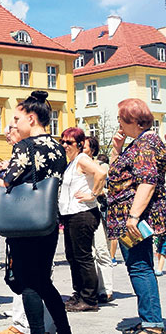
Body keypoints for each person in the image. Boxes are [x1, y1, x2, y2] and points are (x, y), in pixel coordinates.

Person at [1, 91, 71, 334]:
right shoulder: (58, 146)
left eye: (17, 120)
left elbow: (9, 180)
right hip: (48, 220)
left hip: (24, 222)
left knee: (28, 282)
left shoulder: (25, 146)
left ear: (31, 119)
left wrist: (3, 177)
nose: (15, 125)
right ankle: (64, 329)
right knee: (43, 280)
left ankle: (37, 331)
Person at [102, 98, 166, 334]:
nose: (118, 123)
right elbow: (118, 175)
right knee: (142, 266)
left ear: (135, 121)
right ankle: (150, 319)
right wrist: (117, 149)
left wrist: (133, 217)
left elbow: (147, 182)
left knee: (139, 267)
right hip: (132, 216)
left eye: (120, 118)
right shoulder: (140, 142)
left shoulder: (145, 144)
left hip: (135, 218)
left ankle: (152, 324)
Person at [56, 127, 106, 312]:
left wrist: (93, 194)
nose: (65, 145)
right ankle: (79, 294)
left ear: (79, 144)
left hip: (83, 213)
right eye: (63, 141)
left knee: (83, 257)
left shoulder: (82, 159)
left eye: (69, 142)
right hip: (71, 214)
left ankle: (89, 298)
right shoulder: (72, 162)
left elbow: (101, 173)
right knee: (72, 256)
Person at [83, 136, 115, 304]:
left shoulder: (101, 166)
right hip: (82, 214)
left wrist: (97, 193)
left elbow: (109, 189)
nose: (82, 149)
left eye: (85, 147)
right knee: (90, 253)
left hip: (97, 211)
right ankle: (93, 288)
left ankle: (106, 289)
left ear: (93, 150)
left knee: (102, 250)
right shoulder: (76, 165)